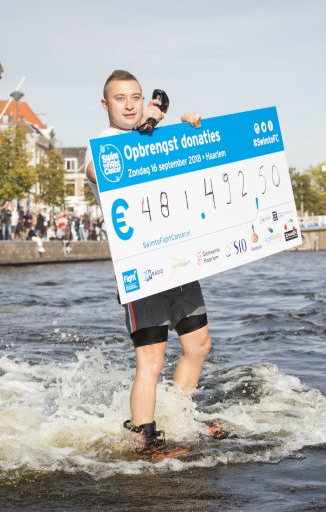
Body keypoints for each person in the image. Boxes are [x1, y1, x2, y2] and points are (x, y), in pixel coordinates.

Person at [84, 69, 211, 454]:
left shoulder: (155, 138)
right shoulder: (103, 145)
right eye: (120, 98)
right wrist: (146, 129)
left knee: (198, 344)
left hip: (179, 259)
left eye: (135, 98)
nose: (129, 105)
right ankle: (144, 438)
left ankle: (181, 417)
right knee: (151, 358)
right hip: (140, 268)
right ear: (105, 104)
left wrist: (189, 129)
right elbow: (99, 170)